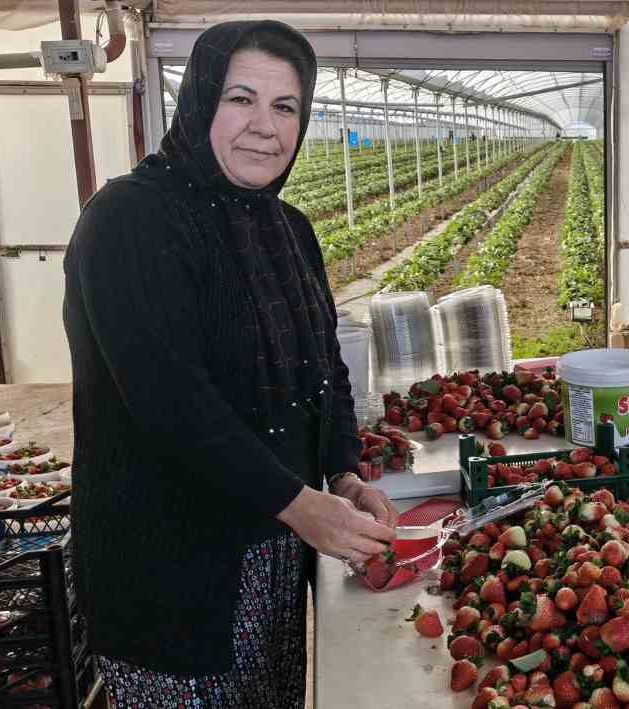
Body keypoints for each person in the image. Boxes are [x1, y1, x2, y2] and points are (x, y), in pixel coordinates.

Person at [63, 21, 397, 706]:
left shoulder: (288, 227)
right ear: (199, 100)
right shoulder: (129, 219)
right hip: (171, 569)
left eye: (286, 106)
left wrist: (343, 471)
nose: (265, 127)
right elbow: (170, 402)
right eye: (241, 98)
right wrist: (300, 504)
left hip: (270, 552)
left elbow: (325, 367)